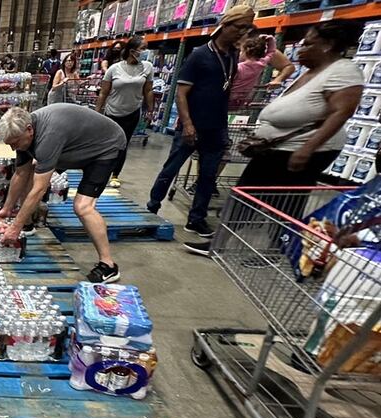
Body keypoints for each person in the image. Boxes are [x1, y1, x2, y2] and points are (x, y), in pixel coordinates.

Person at [183, 21, 365, 257]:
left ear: (328, 45)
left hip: (302, 149)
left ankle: (275, 250)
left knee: (285, 203)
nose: (301, 47)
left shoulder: (343, 71)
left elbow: (342, 111)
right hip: (276, 148)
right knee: (244, 194)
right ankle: (219, 244)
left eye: (308, 43)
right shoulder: (312, 72)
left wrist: (307, 149)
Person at [146, 5, 256, 238]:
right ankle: (152, 208)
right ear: (225, 25)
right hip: (191, 126)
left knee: (207, 176)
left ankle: (196, 219)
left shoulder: (233, 55)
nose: (242, 32)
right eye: (239, 27)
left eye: (247, 28)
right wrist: (187, 124)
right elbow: (181, 93)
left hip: (216, 127)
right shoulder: (199, 55)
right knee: (171, 169)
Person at [0, 104, 127, 284]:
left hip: (106, 148)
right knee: (31, 171)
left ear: (29, 130)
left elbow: (39, 190)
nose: (13, 148)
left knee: (82, 207)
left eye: (15, 143)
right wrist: (6, 208)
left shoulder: (48, 137)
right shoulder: (25, 133)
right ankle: (28, 224)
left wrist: (14, 227)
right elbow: (20, 174)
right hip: (77, 146)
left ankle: (108, 266)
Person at [95, 35, 155, 188]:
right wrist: (97, 111)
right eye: (142, 49)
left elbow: (148, 90)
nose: (145, 52)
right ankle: (99, 170)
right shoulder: (114, 69)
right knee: (108, 144)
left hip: (132, 112)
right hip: (112, 112)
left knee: (123, 144)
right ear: (132, 50)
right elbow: (104, 92)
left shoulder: (147, 67)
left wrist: (150, 109)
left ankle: (115, 174)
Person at [228, 33, 295, 110]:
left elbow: (288, 66)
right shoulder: (222, 47)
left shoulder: (259, 50)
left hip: (249, 101)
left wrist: (278, 79)